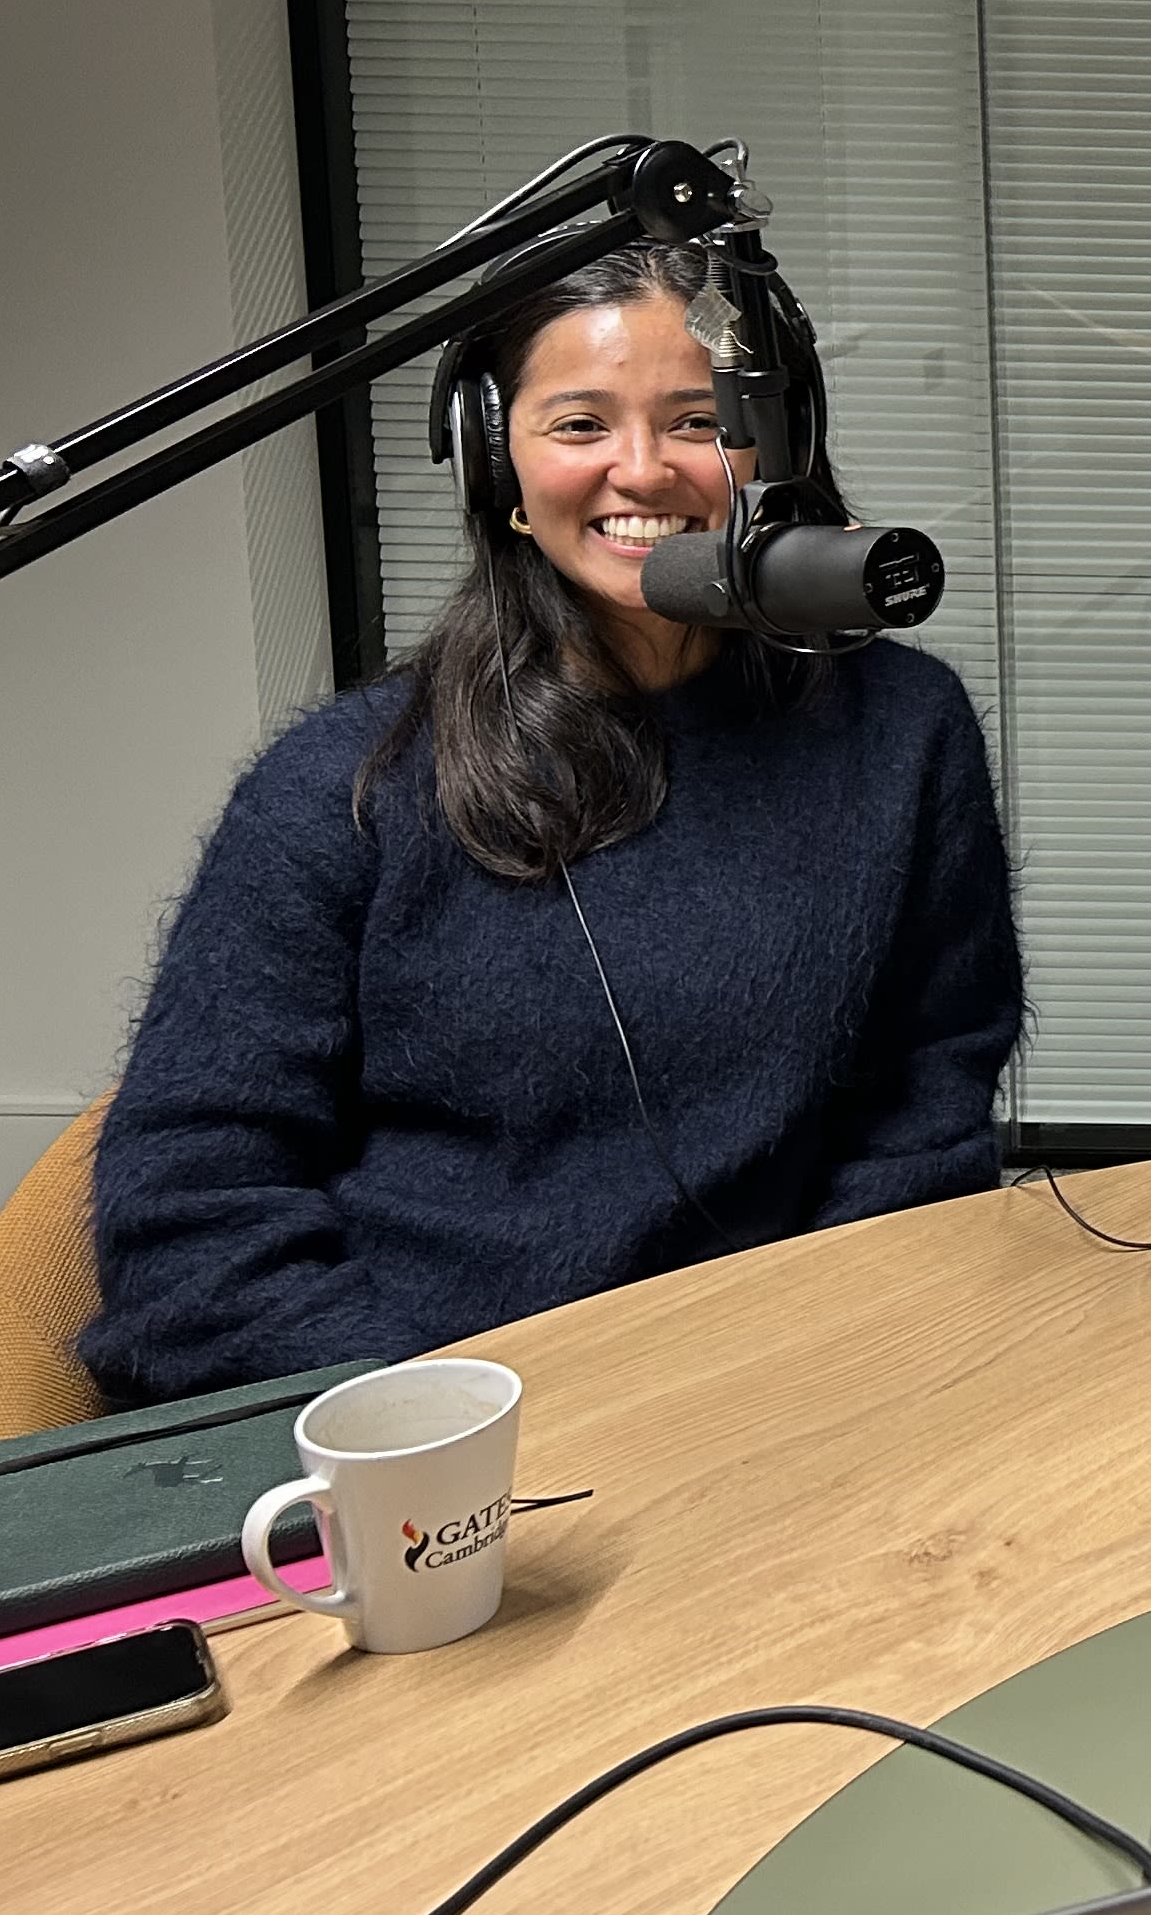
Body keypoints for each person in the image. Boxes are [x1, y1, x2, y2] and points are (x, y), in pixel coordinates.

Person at [80, 243, 1023, 1403]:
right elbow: (190, 1215)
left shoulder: (902, 731)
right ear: (499, 468)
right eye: (580, 425)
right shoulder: (345, 786)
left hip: (773, 1386)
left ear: (776, 450)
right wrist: (444, 1420)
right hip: (430, 1405)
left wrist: (808, 1366)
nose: (643, 470)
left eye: (698, 422)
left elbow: (923, 1120)